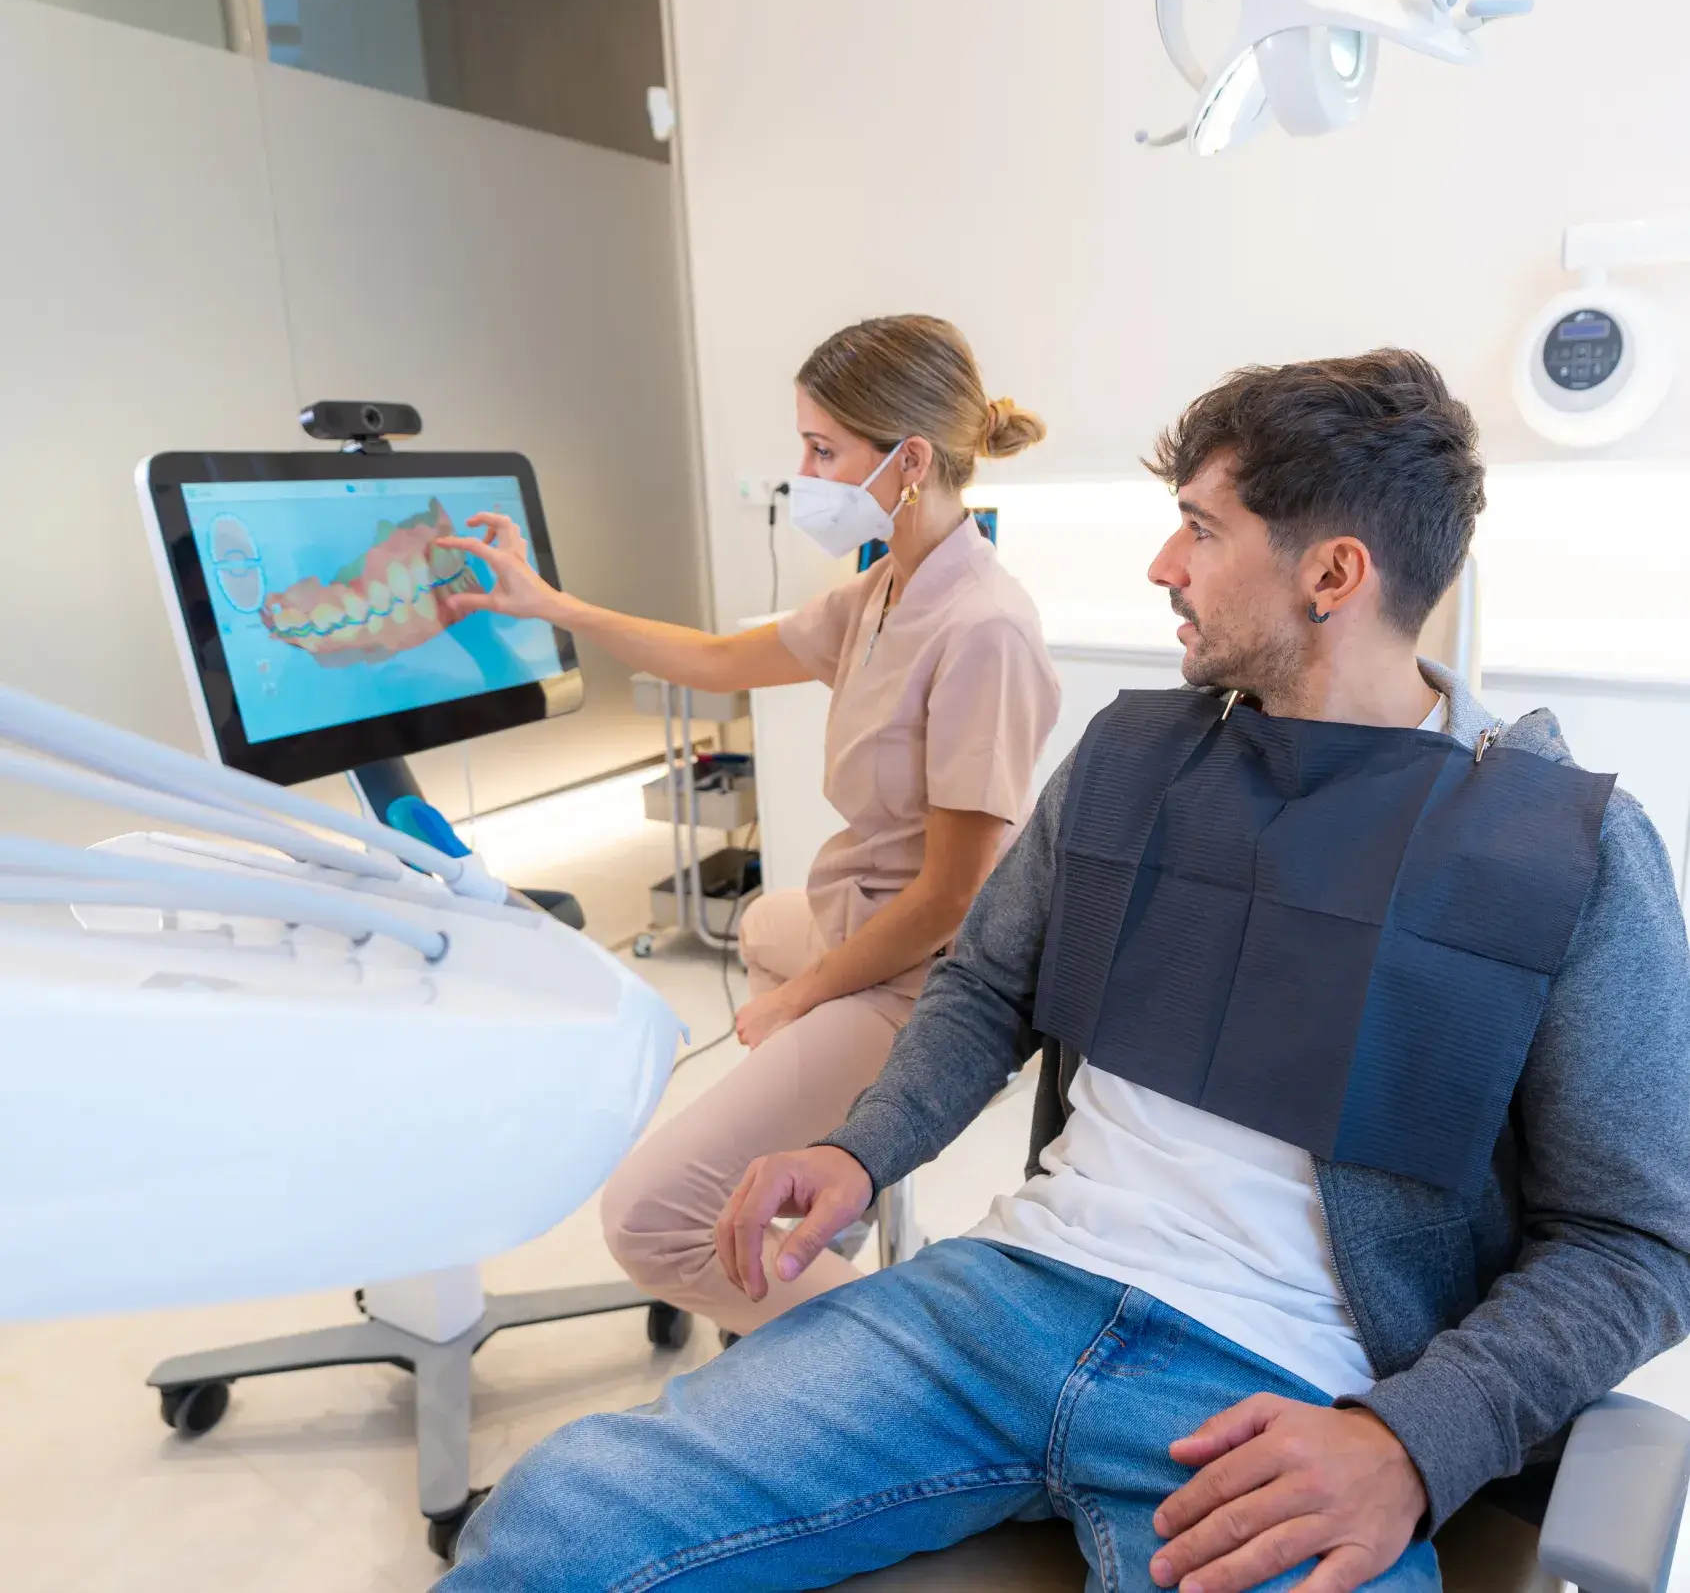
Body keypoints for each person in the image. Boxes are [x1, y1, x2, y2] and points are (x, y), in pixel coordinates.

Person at [439, 351, 1690, 1593]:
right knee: (552, 1523)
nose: (1162, 567)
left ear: (1333, 574)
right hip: (1003, 1303)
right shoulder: (1130, 758)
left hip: (1290, 1387)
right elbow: (985, 985)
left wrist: (1413, 1439)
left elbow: (1638, 1239)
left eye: (1198, 530)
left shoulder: (1560, 851)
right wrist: (860, 1150)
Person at [440, 313, 1061, 1338]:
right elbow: (720, 658)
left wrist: (809, 998)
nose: (802, 471)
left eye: (822, 448)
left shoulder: (983, 629)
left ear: (907, 461)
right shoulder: (883, 587)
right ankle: (816, 1219)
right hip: (850, 918)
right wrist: (551, 605)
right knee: (761, 923)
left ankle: (904, 1357)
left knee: (647, 1220)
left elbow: (953, 894)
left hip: (923, 974)